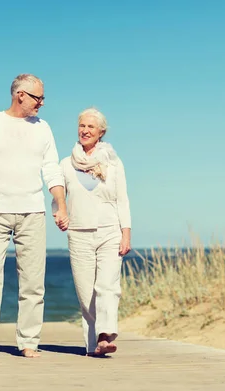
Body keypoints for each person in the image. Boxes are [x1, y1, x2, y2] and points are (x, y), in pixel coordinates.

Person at [0, 74, 69, 359]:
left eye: (43, 98)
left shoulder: (43, 129)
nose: (42, 103)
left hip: (33, 211)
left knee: (33, 281)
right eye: (38, 98)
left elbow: (52, 170)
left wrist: (61, 204)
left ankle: (29, 341)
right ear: (20, 95)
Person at [58, 107, 131, 356]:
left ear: (101, 132)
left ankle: (105, 334)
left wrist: (126, 233)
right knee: (86, 292)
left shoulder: (113, 161)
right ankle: (93, 345)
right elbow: (58, 197)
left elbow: (123, 199)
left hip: (110, 231)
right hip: (79, 233)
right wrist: (60, 212)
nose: (85, 130)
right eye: (82, 126)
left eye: (91, 126)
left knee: (107, 286)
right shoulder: (66, 164)